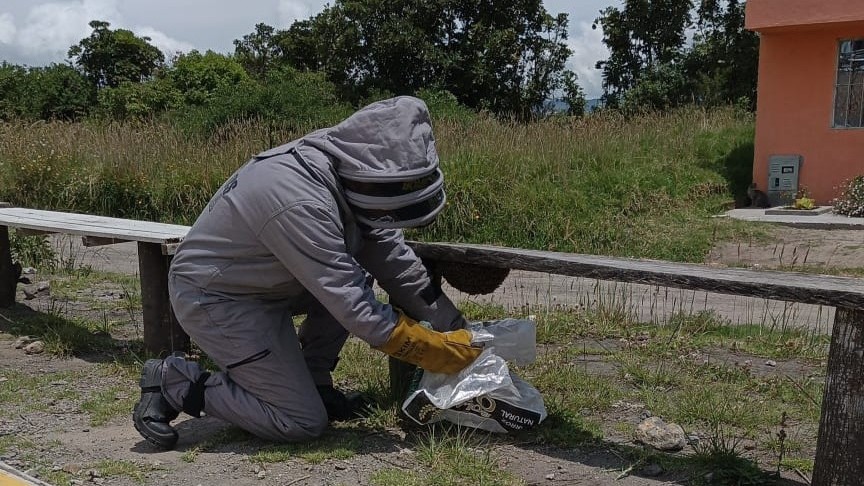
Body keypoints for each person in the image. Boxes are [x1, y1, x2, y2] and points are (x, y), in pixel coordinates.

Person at [132, 96, 482, 450]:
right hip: (216, 297)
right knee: (299, 420)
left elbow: (392, 258)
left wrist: (457, 327)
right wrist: (433, 350)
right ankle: (175, 382)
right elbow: (353, 306)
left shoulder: (352, 168)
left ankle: (315, 382)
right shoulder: (299, 199)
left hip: (271, 281)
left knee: (355, 271)